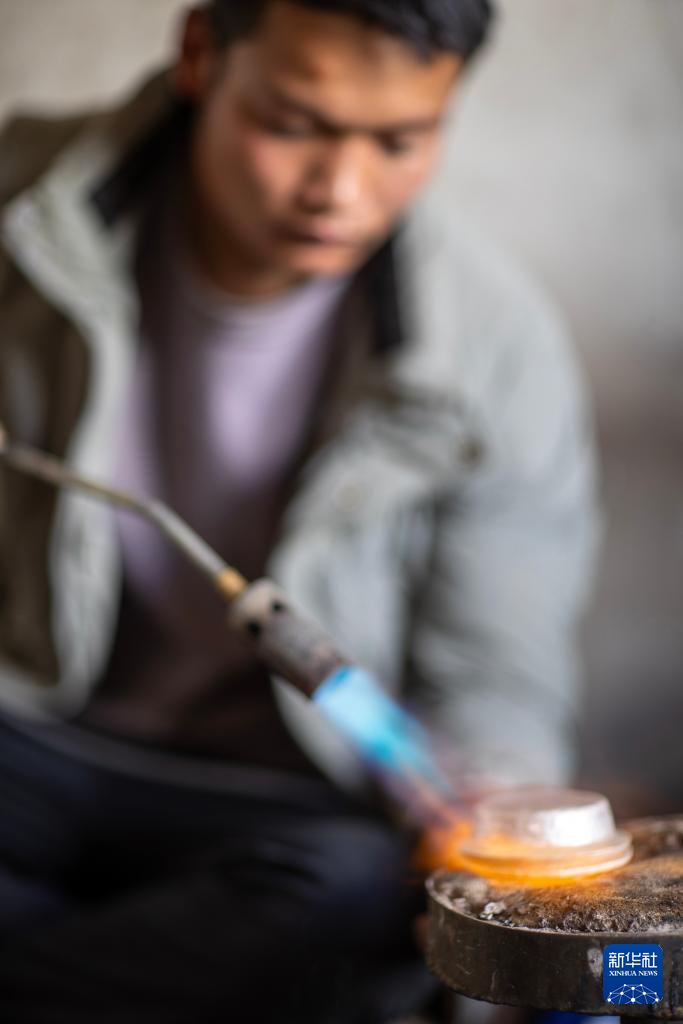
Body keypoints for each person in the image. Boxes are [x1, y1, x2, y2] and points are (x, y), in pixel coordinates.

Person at [0, 1, 598, 1019]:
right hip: (33, 739)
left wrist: (490, 820)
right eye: (291, 125)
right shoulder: (22, 202)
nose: (340, 191)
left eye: (398, 142)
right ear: (201, 55)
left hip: (277, 802)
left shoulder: (495, 349)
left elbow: (493, 673)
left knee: (354, 894)